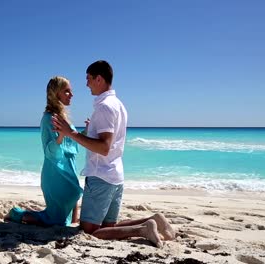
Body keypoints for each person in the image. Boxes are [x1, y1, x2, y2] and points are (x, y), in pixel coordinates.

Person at [52, 60, 175, 247]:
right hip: (115, 175)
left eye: (89, 79)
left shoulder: (104, 107)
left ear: (99, 79)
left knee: (89, 231)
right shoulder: (118, 104)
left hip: (101, 176)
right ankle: (154, 220)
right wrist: (89, 131)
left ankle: (142, 229)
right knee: (111, 227)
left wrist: (72, 134)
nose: (86, 84)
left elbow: (103, 147)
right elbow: (110, 140)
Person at [5, 76, 83, 226]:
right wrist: (61, 135)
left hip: (69, 169)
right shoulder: (48, 119)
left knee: (67, 218)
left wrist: (87, 131)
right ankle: (15, 213)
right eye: (66, 91)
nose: (71, 95)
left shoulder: (63, 118)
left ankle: (69, 220)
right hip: (56, 173)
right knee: (54, 220)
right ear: (56, 93)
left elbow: (72, 141)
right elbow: (50, 151)